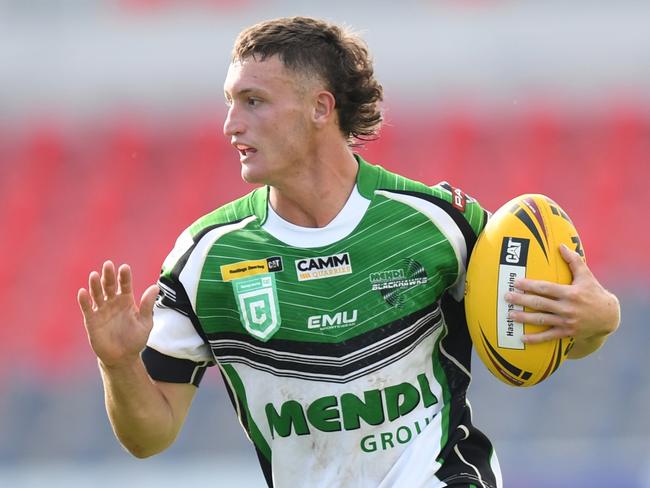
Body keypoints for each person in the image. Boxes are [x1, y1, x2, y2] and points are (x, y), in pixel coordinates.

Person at [77, 16, 620, 488]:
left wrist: (599, 320)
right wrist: (118, 363)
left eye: (254, 101)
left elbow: (541, 337)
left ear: (320, 108)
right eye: (229, 103)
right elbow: (151, 435)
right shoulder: (206, 259)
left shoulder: (438, 222)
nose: (230, 124)